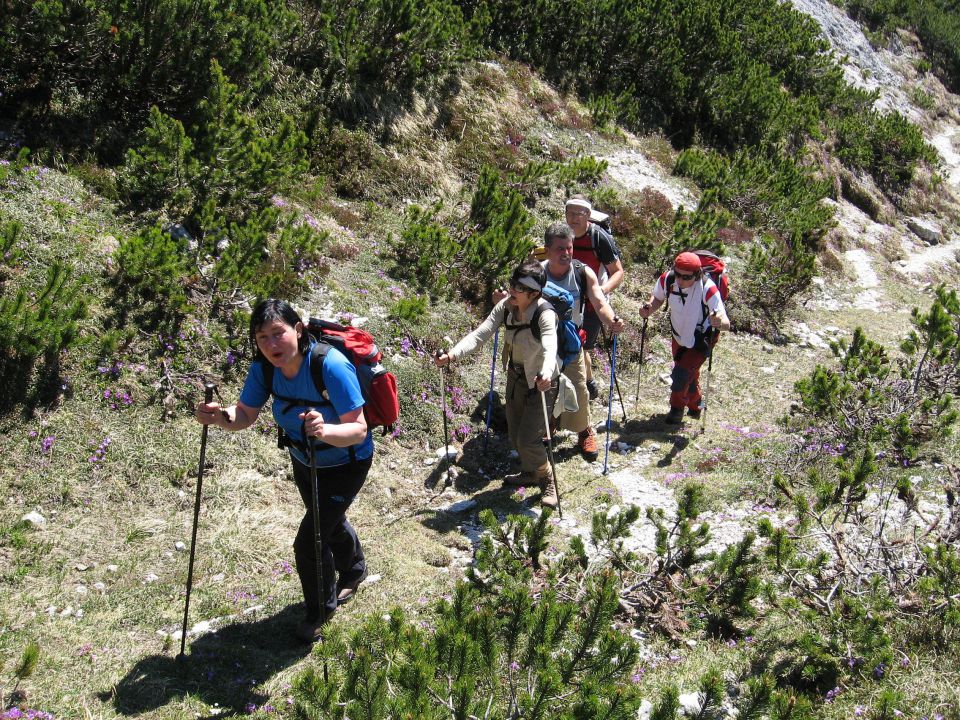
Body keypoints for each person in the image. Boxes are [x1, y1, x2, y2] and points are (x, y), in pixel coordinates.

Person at [194, 299, 372, 643]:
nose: (272, 345)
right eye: (263, 338)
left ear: (298, 330)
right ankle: (354, 569)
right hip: (304, 461)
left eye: (279, 334)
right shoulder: (263, 370)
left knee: (310, 539)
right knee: (325, 521)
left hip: (347, 463)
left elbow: (359, 429)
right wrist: (219, 417)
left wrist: (324, 431)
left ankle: (319, 612)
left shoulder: (330, 365)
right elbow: (245, 415)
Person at [435, 261, 561, 507]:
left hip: (542, 383)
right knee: (515, 435)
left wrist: (545, 374)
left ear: (534, 293)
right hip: (516, 379)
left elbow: (550, 346)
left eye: (519, 287)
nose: (512, 289)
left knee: (529, 440)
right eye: (513, 283)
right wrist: (452, 355)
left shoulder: (545, 314)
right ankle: (529, 473)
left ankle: (548, 482)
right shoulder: (506, 308)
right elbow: (480, 334)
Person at [541, 222, 625, 460]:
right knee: (545, 387)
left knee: (578, 387)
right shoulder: (536, 273)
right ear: (547, 249)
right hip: (542, 342)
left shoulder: (583, 272)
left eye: (569, 248)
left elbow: (599, 302)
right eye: (560, 249)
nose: (566, 253)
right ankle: (549, 424)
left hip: (571, 341)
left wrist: (612, 321)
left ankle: (583, 430)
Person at [638, 251, 730, 423]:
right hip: (678, 334)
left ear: (697, 274)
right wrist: (649, 308)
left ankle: (676, 409)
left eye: (686, 277)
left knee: (681, 374)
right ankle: (696, 405)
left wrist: (718, 321)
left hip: (702, 338)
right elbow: (658, 298)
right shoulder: (668, 279)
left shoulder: (708, 288)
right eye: (678, 274)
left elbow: (726, 323)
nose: (680, 280)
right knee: (689, 373)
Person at [564, 196, 625, 400]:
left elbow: (618, 272)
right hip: (566, 300)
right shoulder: (562, 236)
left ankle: (587, 387)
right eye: (569, 213)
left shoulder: (598, 238)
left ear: (588, 215)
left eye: (579, 214)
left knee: (582, 346)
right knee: (573, 345)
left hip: (593, 303)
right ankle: (584, 385)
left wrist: (601, 291)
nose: (573, 218)